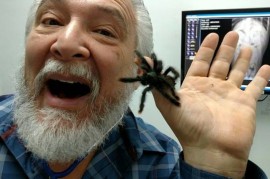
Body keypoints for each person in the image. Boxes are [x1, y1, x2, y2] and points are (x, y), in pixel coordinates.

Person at [0, 0, 269, 178]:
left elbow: (163, 77)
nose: (66, 43)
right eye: (51, 21)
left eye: (105, 31)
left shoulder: (167, 167)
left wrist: (215, 163)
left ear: (139, 69)